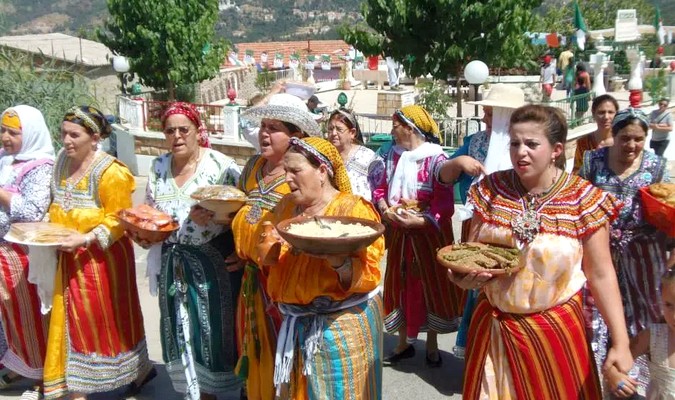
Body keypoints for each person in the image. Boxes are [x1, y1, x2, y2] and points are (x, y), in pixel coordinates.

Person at [453, 104, 633, 398]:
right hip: (493, 332)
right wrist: (464, 278)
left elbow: (601, 274)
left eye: (531, 144)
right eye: (514, 142)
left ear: (556, 149)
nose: (520, 151)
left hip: (554, 332)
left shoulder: (582, 199)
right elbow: (472, 253)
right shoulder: (491, 190)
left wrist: (621, 342)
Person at [132, 102, 242, 400]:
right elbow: (150, 212)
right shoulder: (158, 167)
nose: (177, 136)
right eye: (170, 131)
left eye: (184, 129)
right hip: (172, 260)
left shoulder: (222, 166)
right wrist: (144, 234)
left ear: (198, 131)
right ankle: (189, 390)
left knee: (211, 331)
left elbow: (241, 214)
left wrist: (241, 252)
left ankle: (208, 392)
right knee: (179, 327)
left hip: (212, 263)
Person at [261, 137, 385, 399]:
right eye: (285, 171)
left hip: (339, 329)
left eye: (295, 170)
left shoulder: (353, 211)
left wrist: (338, 261)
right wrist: (267, 247)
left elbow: (370, 272)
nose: (287, 179)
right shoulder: (285, 208)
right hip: (294, 324)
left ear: (321, 171)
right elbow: (270, 259)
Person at [44, 106, 153, 400]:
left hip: (102, 261)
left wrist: (86, 237)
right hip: (66, 257)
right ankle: (74, 385)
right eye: (64, 133)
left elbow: (119, 219)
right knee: (69, 318)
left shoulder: (111, 172)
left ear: (94, 137)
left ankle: (125, 372)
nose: (66, 140)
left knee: (103, 319)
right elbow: (56, 202)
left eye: (74, 134)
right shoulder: (61, 162)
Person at [232, 93, 321, 400]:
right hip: (251, 278)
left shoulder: (301, 178)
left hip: (281, 284)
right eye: (263, 126)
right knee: (254, 349)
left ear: (295, 136)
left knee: (284, 357)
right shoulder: (253, 166)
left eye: (273, 128)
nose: (264, 133)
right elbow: (240, 208)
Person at [579, 107, 671, 396]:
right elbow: (577, 197)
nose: (632, 145)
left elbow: (667, 207)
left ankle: (635, 385)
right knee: (594, 317)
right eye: (625, 138)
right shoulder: (593, 161)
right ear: (614, 135)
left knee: (646, 318)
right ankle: (595, 380)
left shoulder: (657, 166)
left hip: (643, 256)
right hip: (599, 252)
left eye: (639, 139)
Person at [437, 84, 527, 358]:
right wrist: (460, 162)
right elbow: (443, 175)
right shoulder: (475, 143)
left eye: (490, 114)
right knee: (479, 291)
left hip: (515, 232)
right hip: (475, 226)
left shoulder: (524, 149)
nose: (485, 119)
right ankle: (479, 356)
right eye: (485, 113)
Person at [374, 105, 464, 367]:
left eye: (395, 125)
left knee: (430, 285)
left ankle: (432, 345)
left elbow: (444, 203)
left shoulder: (436, 159)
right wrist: (385, 209)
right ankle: (403, 343)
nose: (392, 131)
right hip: (401, 232)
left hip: (429, 235)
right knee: (400, 282)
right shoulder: (390, 156)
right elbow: (380, 188)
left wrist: (422, 219)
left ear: (410, 128)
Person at [0, 106, 54, 398]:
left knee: (31, 316)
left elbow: (31, 210)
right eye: (3, 130)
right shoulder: (7, 160)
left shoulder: (40, 165)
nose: (6, 137)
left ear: (30, 133)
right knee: (10, 316)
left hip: (23, 254)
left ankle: (43, 377)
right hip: (4, 251)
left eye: (13, 132)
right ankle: (21, 366)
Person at [604, 267, 675, 399]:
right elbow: (614, 364)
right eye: (668, 305)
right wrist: (615, 377)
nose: (674, 316)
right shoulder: (655, 337)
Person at [325, 108, 384, 201]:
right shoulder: (325, 156)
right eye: (330, 129)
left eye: (339, 129)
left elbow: (381, 188)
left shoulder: (367, 157)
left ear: (352, 133)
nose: (333, 133)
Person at [573, 94, 620, 173]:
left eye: (610, 112)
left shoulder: (621, 142)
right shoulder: (583, 143)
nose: (606, 117)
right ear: (593, 114)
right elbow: (577, 171)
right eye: (601, 112)